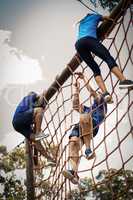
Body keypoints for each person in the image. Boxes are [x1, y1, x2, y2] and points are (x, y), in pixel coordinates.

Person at [75, 13, 133, 103]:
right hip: (89, 39)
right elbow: (107, 18)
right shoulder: (95, 16)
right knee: (107, 58)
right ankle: (123, 81)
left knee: (95, 69)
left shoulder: (82, 22)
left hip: (78, 44)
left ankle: (105, 94)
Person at [62, 73, 107, 184]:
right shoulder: (89, 108)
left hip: (92, 126)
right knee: (73, 143)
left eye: (100, 93)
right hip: (80, 126)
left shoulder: (102, 104)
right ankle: (74, 172)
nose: (98, 94)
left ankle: (88, 149)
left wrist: (84, 78)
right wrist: (76, 88)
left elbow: (92, 91)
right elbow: (75, 105)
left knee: (84, 116)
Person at [12, 91, 56, 166]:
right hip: (20, 117)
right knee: (39, 110)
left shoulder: (27, 105)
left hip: (17, 125)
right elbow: (42, 94)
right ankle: (38, 133)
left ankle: (49, 159)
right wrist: (44, 94)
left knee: (36, 140)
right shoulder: (30, 96)